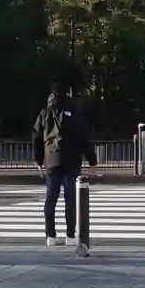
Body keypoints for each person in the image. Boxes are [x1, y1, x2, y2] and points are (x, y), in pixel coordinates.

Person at [34, 87, 96, 248]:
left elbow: (37, 137)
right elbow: (83, 137)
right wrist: (92, 160)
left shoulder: (44, 113)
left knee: (50, 198)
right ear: (68, 94)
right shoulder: (74, 112)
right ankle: (70, 235)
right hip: (72, 160)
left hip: (51, 160)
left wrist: (39, 160)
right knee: (71, 199)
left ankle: (51, 236)